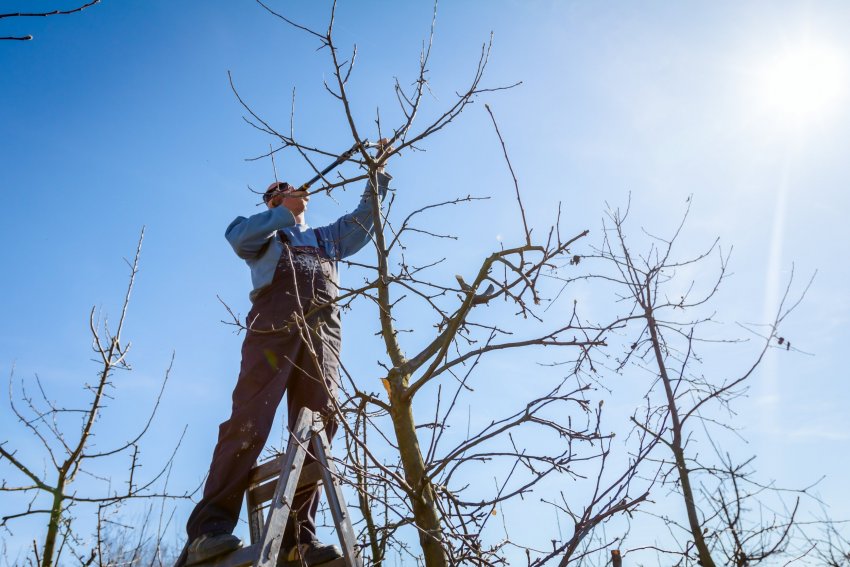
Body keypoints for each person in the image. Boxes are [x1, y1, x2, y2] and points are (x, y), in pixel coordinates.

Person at [177, 148, 391, 567]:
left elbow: (365, 223)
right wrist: (283, 215)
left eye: (286, 194)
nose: (280, 197)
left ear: (303, 199)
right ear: (268, 207)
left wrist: (377, 176)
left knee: (318, 426)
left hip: (323, 333)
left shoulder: (327, 238)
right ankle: (209, 531)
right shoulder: (262, 238)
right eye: (273, 198)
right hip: (273, 328)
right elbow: (237, 237)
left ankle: (298, 540)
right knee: (249, 421)